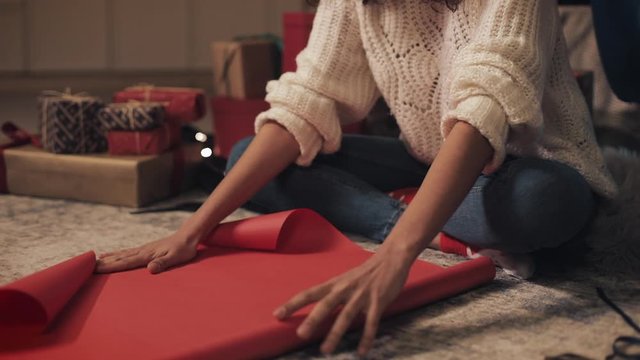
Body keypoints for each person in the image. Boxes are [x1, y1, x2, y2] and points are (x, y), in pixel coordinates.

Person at [97, 0, 618, 356]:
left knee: (549, 203)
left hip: (530, 165)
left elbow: (484, 106)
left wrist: (396, 258)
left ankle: (410, 219)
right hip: (429, 156)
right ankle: (432, 223)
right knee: (245, 157)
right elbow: (309, 98)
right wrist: (196, 229)